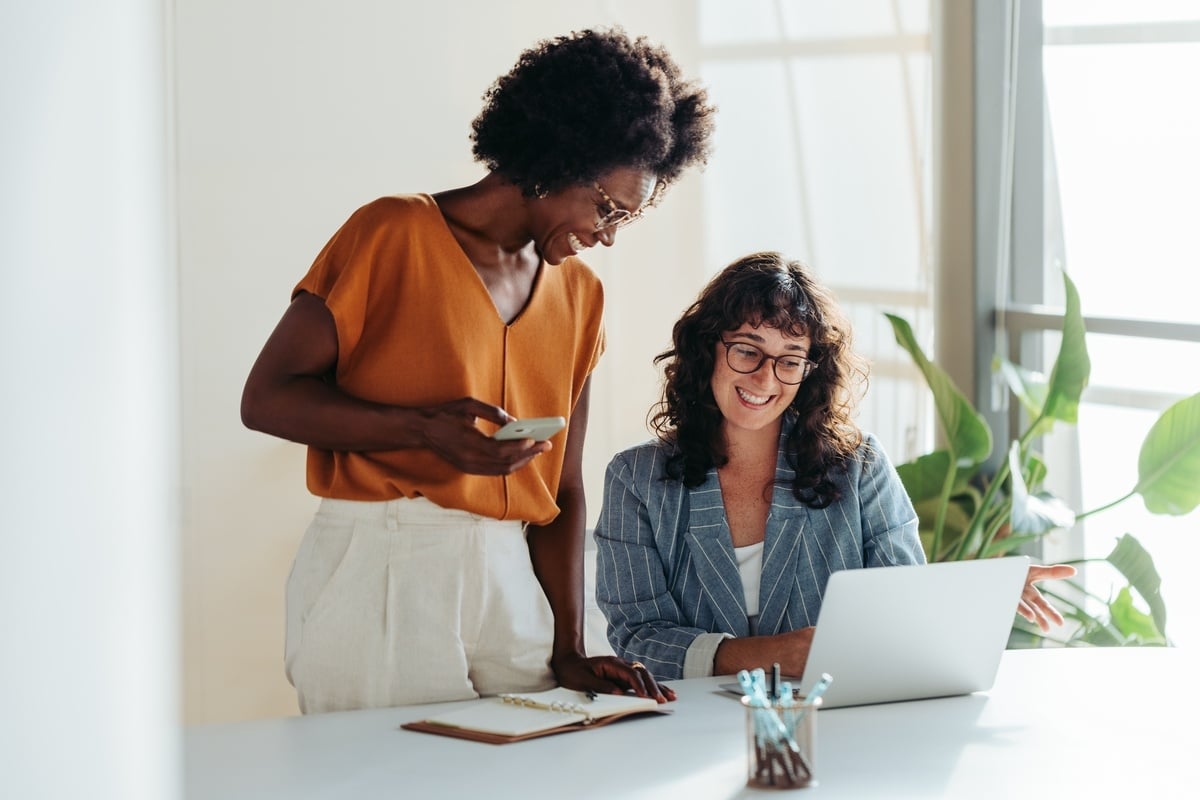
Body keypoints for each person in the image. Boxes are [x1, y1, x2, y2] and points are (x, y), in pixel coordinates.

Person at [240, 28, 716, 713]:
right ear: (558, 159)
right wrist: (420, 430)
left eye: (625, 221)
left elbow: (563, 489)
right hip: (386, 561)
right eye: (607, 208)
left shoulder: (581, 296)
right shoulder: (392, 233)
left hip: (510, 575)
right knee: (382, 780)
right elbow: (267, 398)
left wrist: (570, 647)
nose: (608, 234)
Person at [594, 252, 1075, 680]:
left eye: (790, 360)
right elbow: (638, 638)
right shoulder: (635, 479)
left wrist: (979, 593)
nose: (765, 377)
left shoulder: (859, 466)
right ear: (708, 349)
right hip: (688, 731)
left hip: (837, 719)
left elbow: (900, 604)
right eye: (746, 349)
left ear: (810, 371)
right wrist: (767, 654)